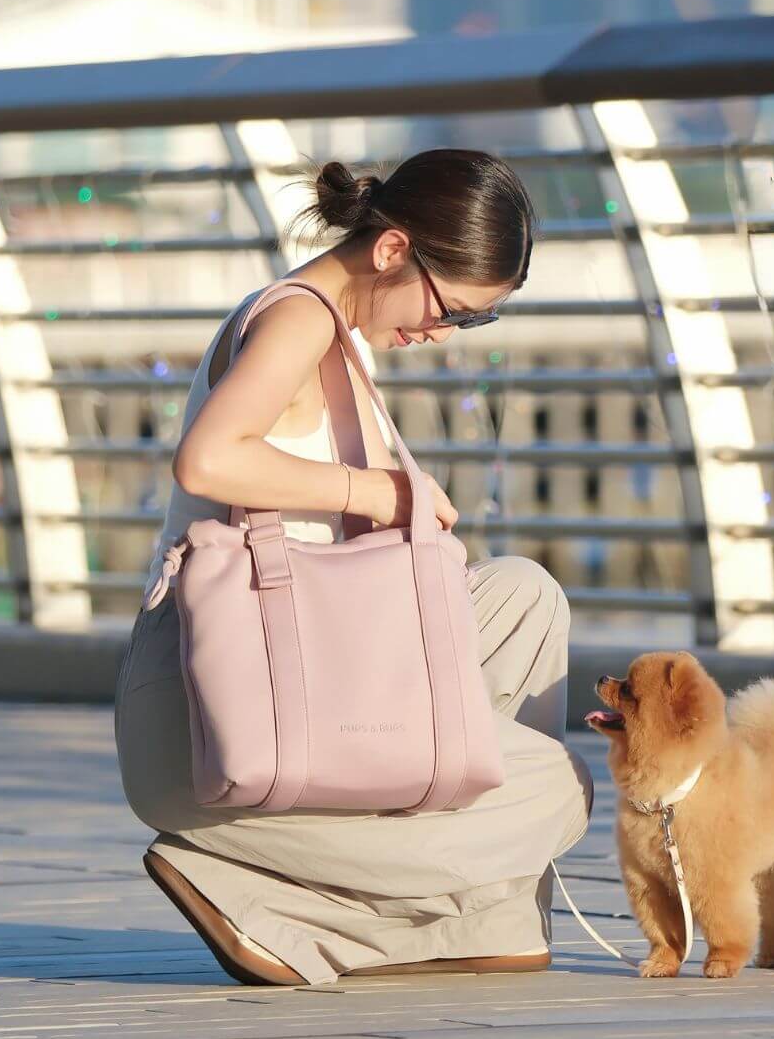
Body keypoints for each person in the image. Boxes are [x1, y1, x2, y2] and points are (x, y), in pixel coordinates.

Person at [114, 148, 594, 987]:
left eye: (475, 322)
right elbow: (207, 460)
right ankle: (263, 897)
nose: (446, 333)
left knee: (525, 597)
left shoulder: (341, 337)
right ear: (391, 251)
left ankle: (464, 912)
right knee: (554, 787)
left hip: (286, 676)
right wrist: (376, 492)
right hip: (211, 715)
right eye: (455, 311)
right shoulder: (298, 319)